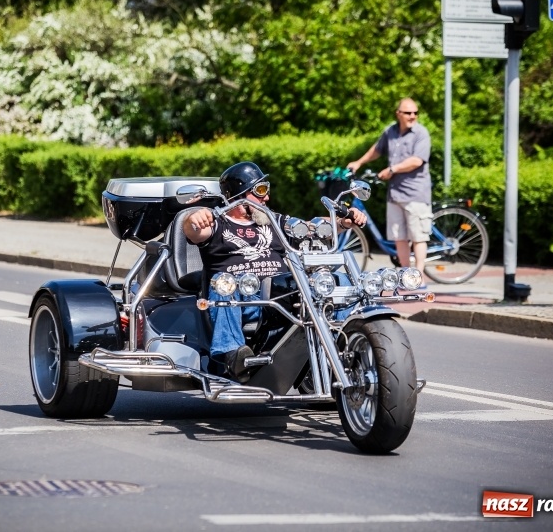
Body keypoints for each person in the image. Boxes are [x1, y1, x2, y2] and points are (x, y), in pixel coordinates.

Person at [183, 161, 366, 382]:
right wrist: (193, 218)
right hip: (246, 300)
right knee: (224, 283)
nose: (266, 197)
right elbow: (193, 231)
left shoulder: (275, 221)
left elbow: (311, 227)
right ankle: (233, 356)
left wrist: (343, 222)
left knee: (338, 279)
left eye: (266, 189)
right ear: (238, 195)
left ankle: (344, 343)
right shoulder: (217, 223)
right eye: (260, 190)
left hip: (282, 294)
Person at [347, 97, 432, 277]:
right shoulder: (390, 131)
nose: (413, 116)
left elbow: (417, 160)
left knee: (418, 238)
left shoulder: (421, 133)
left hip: (415, 193)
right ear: (398, 114)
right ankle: (405, 275)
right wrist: (359, 162)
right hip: (395, 194)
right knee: (399, 237)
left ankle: (419, 277)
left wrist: (393, 169)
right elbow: (377, 149)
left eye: (416, 113)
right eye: (408, 113)